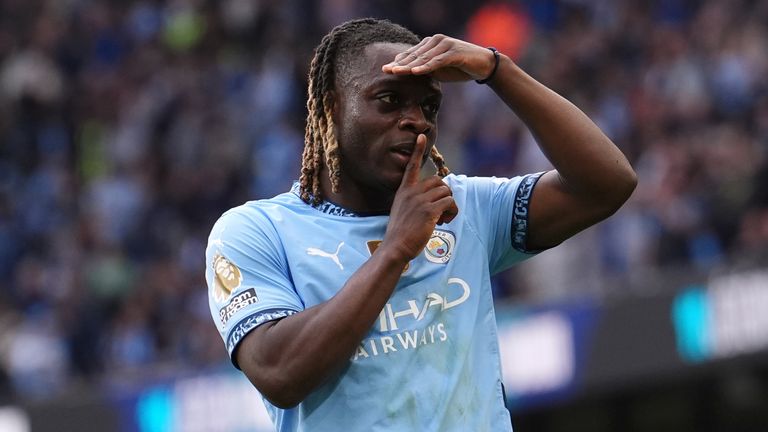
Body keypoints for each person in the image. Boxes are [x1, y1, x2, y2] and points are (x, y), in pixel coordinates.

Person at [205, 18, 636, 431]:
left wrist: (496, 70)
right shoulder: (255, 230)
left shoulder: (462, 208)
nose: (416, 120)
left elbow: (606, 184)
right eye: (389, 99)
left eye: (428, 105)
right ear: (331, 107)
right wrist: (395, 251)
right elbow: (280, 373)